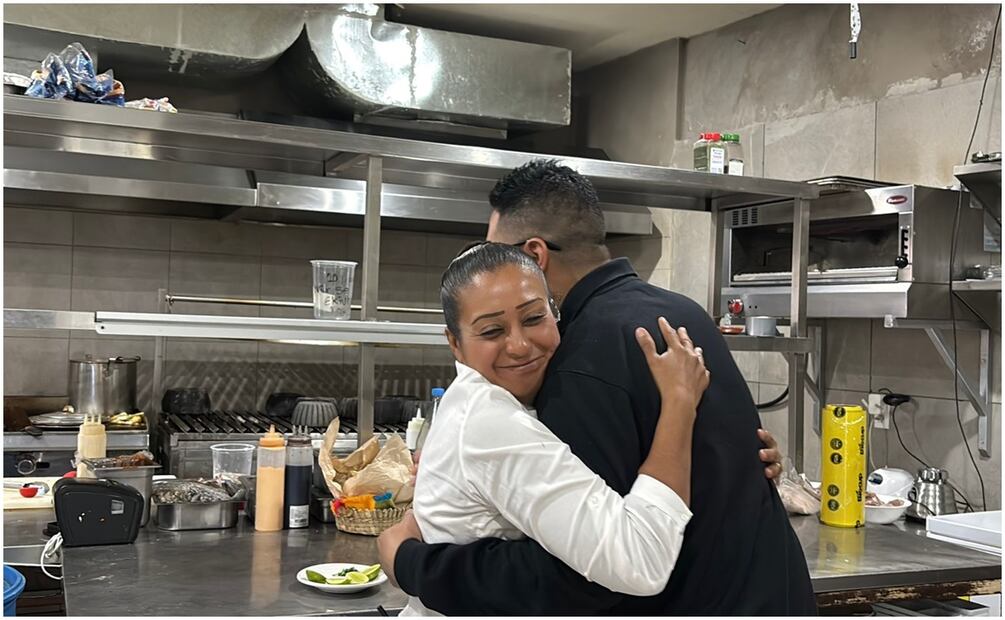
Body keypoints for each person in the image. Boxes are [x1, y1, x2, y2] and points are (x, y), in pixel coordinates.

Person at [379, 159, 816, 615]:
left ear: (531, 257)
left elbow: (580, 578)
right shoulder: (683, 314)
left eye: (497, 254)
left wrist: (412, 562)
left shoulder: (582, 357)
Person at [398, 242, 709, 616]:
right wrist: (679, 403)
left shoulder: (494, 400)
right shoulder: (489, 419)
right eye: (492, 330)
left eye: (533, 319)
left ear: (555, 312)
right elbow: (641, 561)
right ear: (455, 344)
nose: (519, 345)